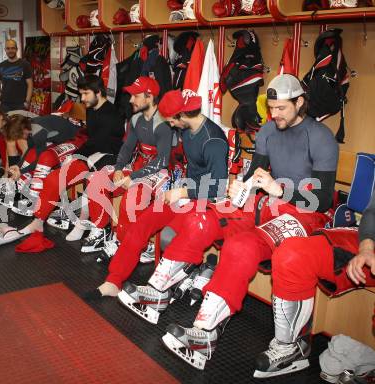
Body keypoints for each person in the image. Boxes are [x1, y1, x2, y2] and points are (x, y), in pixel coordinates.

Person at [127, 74, 339, 370]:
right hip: (264, 204)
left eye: (280, 108)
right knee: (203, 216)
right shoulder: (267, 130)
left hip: (304, 213)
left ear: (300, 102)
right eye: (271, 107)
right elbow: (256, 173)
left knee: (240, 246)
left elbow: (325, 200)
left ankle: (279, 345)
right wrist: (243, 185)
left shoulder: (320, 137)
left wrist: (281, 190)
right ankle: (166, 297)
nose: (273, 114)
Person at [96, 88, 230, 298]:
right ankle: (114, 279)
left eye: (171, 121)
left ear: (183, 115)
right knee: (141, 223)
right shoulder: (186, 129)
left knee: (171, 236)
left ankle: (161, 291)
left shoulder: (213, 141)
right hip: (184, 192)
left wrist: (182, 191)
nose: (170, 125)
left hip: (205, 200)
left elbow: (219, 187)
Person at [254, 191, 375, 379]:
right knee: (292, 253)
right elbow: (373, 212)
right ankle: (291, 347)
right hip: (369, 241)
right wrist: (367, 248)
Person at [74, 76, 175, 255]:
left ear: (150, 97)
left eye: (136, 95)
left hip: (163, 173)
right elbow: (127, 147)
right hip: (138, 166)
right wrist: (119, 167)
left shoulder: (164, 123)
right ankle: (101, 230)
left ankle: (125, 242)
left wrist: (132, 177)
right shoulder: (136, 119)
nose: (130, 100)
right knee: (97, 179)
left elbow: (162, 162)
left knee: (132, 197)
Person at [18, 75, 125, 237]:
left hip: (109, 156)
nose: (82, 98)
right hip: (90, 153)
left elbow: (99, 143)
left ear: (98, 92)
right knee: (55, 178)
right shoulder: (91, 109)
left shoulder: (112, 114)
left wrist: (76, 155)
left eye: (86, 94)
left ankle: (82, 224)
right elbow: (90, 139)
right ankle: (38, 221)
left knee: (91, 182)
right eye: (81, 94)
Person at [0, 111, 87, 215]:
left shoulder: (38, 131)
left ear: (23, 129)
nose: (19, 138)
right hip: (61, 140)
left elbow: (39, 160)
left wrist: (21, 170)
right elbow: (29, 152)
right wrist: (18, 166)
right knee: (32, 153)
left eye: (18, 135)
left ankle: (34, 201)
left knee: (45, 158)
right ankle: (17, 188)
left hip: (79, 140)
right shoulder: (29, 127)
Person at [0, 106, 36, 176]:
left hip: (38, 142)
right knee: (4, 140)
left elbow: (26, 151)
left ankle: (16, 173)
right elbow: (7, 151)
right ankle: (11, 171)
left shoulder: (14, 125)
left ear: (0, 116)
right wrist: (6, 173)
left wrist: (20, 172)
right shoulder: (4, 130)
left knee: (11, 141)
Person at [0, 39, 33, 113]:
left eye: (12, 48)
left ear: (16, 49)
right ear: (5, 50)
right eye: (8, 48)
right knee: (6, 124)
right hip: (4, 104)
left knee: (20, 125)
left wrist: (27, 101)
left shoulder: (25, 64)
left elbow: (30, 84)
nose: (10, 50)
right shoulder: (0, 66)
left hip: (20, 104)